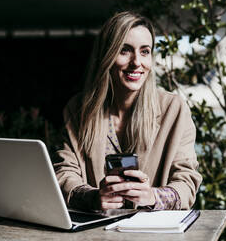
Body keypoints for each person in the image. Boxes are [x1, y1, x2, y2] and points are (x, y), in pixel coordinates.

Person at [53, 11, 202, 211]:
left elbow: (187, 181)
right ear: (106, 55)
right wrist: (93, 197)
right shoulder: (78, 109)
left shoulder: (174, 109)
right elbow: (64, 172)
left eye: (145, 51)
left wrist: (153, 197)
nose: (137, 62)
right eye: (124, 50)